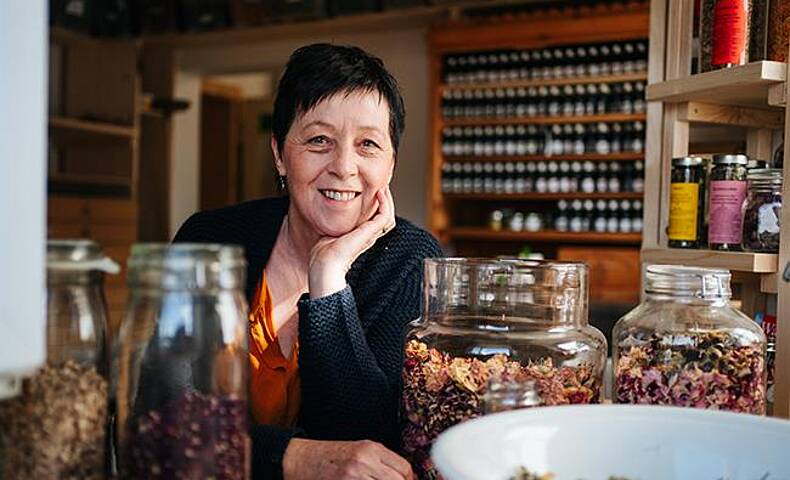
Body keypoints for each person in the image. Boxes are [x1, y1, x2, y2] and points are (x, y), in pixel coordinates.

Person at [174, 43, 442, 479]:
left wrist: (329, 278)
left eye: (368, 144)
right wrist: (291, 458)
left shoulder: (412, 261)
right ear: (280, 153)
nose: (344, 166)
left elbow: (370, 447)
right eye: (319, 140)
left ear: (390, 164)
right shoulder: (207, 241)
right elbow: (160, 418)